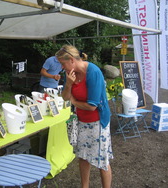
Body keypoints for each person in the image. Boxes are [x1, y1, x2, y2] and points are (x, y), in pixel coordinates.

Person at [55, 45, 113, 188]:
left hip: (98, 122)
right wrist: (68, 84)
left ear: (72, 61)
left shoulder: (93, 72)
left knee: (102, 160)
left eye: (63, 64)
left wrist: (74, 101)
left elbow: (92, 105)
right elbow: (65, 97)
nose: (62, 68)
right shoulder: (70, 74)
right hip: (82, 121)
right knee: (83, 157)